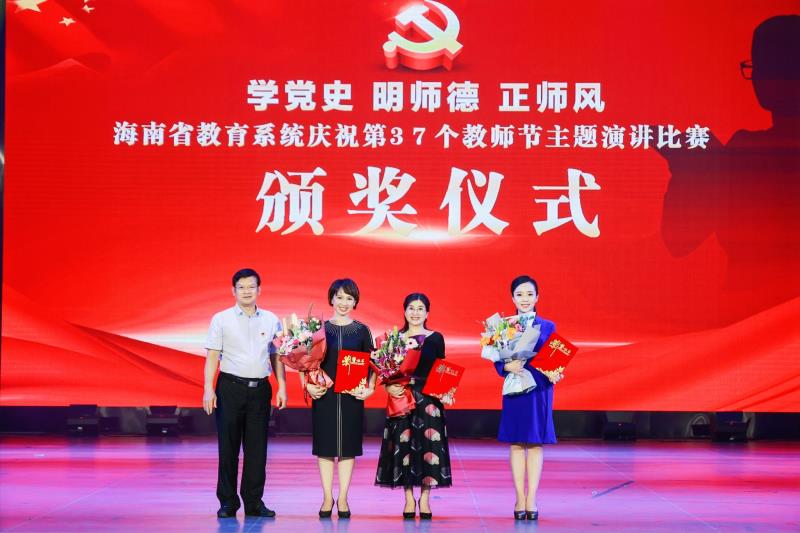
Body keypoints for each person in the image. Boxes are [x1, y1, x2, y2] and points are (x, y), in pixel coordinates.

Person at [202, 268, 287, 518]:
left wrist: (282, 385)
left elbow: (277, 356)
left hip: (260, 390)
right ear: (233, 291)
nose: (247, 291)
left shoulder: (271, 319)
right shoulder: (221, 319)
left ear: (259, 290)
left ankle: (253, 501)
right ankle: (228, 502)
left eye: (251, 286)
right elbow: (213, 355)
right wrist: (208, 388)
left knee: (257, 449)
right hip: (230, 388)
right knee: (228, 447)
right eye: (241, 287)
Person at [491, 275, 562, 521]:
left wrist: (555, 371)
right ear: (512, 298)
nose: (525, 299)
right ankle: (519, 497)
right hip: (515, 386)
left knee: (535, 442)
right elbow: (497, 357)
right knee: (516, 443)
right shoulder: (503, 326)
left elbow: (554, 358)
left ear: (537, 297)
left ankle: (532, 498)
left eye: (530, 294)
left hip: (539, 389)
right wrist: (505, 367)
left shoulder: (548, 326)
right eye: (520, 294)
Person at [375, 293, 452, 520]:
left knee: (430, 448)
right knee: (403, 448)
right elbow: (385, 371)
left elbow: (441, 369)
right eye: (411, 308)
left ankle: (425, 498)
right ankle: (409, 498)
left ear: (427, 313)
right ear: (404, 311)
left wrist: (447, 391)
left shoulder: (436, 338)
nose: (415, 312)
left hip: (429, 400)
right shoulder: (394, 339)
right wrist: (388, 387)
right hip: (402, 399)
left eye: (420, 308)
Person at [305, 278, 375, 519]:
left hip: (351, 397)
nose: (344, 302)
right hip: (324, 395)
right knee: (325, 447)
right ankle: (327, 497)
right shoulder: (319, 329)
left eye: (349, 298)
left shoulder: (362, 330)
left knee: (348, 448)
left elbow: (375, 365)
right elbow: (306, 362)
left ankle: (343, 497)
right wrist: (308, 385)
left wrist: (370, 388)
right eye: (340, 297)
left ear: (355, 302)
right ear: (332, 299)